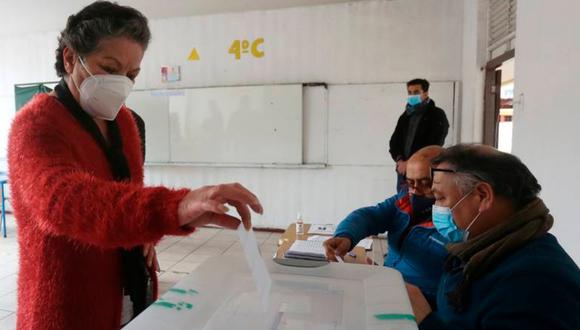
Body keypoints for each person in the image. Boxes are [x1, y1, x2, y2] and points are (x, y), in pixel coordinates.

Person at [7, 2, 263, 329]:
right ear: (70, 58)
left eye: (132, 75)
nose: (122, 84)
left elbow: (127, 195)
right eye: (109, 68)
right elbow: (64, 202)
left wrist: (144, 235)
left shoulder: (125, 122)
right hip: (67, 303)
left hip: (129, 289)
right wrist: (171, 207)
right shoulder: (36, 125)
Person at [406, 144, 580, 329]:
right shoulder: (478, 250)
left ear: (482, 196)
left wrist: (426, 321)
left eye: (440, 198)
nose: (436, 208)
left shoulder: (534, 282)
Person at [324, 146, 448, 306]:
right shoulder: (403, 200)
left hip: (419, 306)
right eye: (410, 182)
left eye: (426, 183)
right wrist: (345, 236)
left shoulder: (453, 224)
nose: (415, 191)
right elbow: (370, 216)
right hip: (387, 288)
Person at [389, 78, 449, 192]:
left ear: (425, 93)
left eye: (416, 92)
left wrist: (410, 163)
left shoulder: (436, 115)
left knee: (420, 203)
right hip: (403, 171)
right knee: (402, 203)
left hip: (423, 172)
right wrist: (400, 160)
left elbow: (434, 144)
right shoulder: (405, 116)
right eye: (410, 93)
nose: (412, 96)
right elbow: (394, 142)